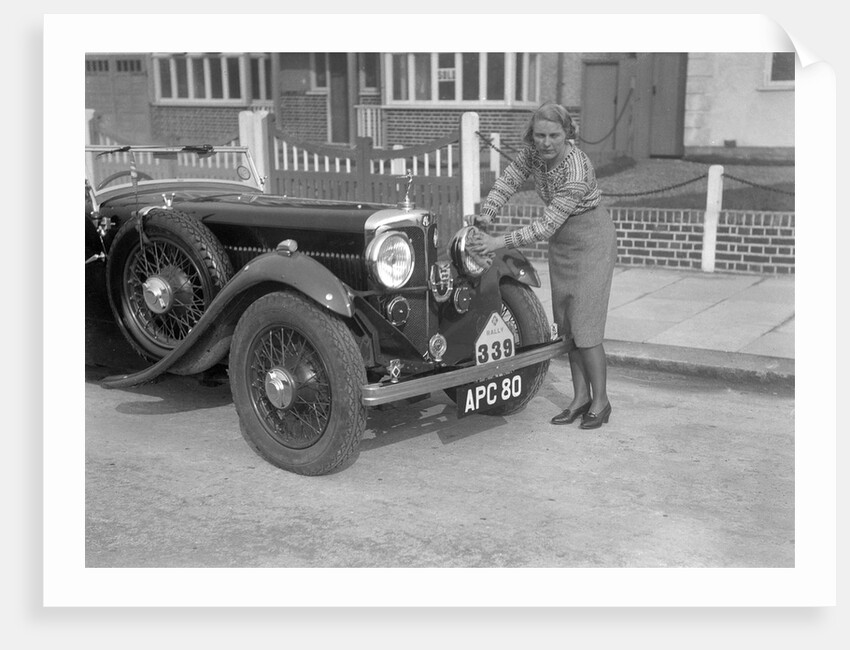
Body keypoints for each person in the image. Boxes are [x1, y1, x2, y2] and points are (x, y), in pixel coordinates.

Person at [469, 101, 617, 430]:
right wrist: (488, 212)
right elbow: (508, 181)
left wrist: (496, 243)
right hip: (562, 243)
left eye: (554, 135)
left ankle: (602, 401)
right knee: (566, 326)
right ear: (531, 135)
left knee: (586, 326)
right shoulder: (533, 154)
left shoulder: (577, 170)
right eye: (539, 135)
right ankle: (580, 399)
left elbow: (545, 226)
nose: (546, 142)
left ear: (568, 134)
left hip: (591, 240)